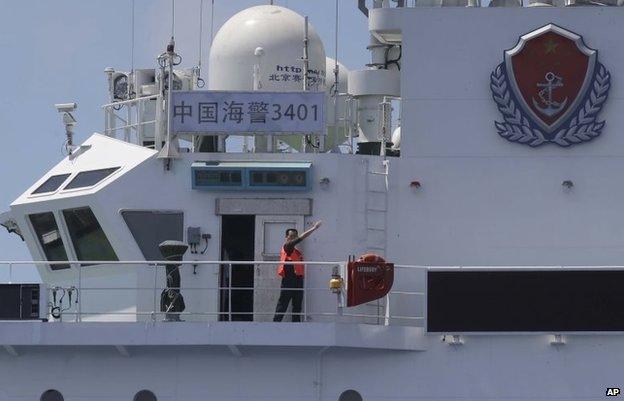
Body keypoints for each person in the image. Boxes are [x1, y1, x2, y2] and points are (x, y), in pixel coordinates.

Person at [273, 221, 322, 322]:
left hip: (298, 280)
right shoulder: (287, 247)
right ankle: (275, 324)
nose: (293, 238)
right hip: (288, 279)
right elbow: (301, 238)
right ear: (286, 237)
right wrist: (314, 228)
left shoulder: (295, 251)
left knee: (297, 305)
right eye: (291, 236)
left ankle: (296, 325)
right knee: (283, 304)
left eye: (295, 236)